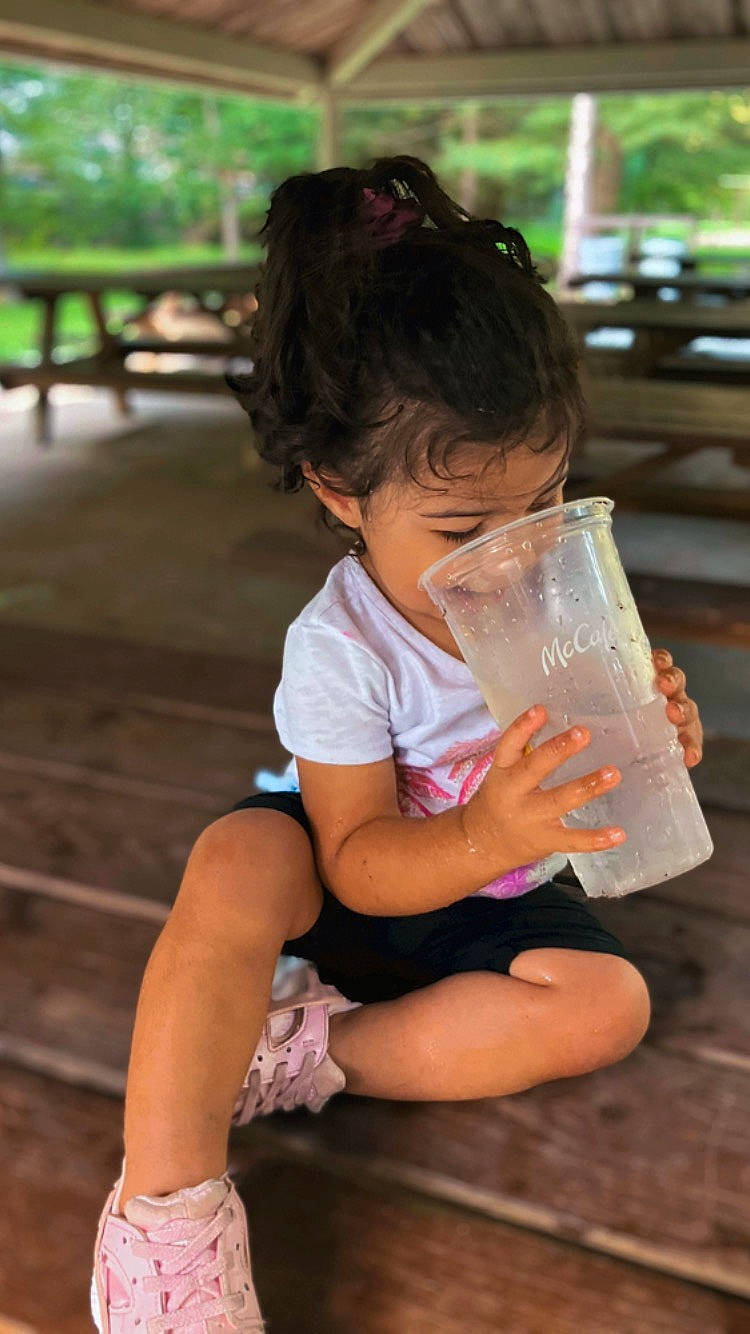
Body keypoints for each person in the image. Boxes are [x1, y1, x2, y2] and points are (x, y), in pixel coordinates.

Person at [91, 157, 703, 1333]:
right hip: (358, 877)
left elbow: (599, 785)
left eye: (546, 498)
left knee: (606, 1005)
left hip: (496, 894)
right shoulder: (343, 644)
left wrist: (659, 737)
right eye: (466, 525)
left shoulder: (560, 598)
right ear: (338, 489)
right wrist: (489, 824)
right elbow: (359, 857)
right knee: (235, 857)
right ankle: (165, 1226)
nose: (518, 550)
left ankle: (303, 1053)